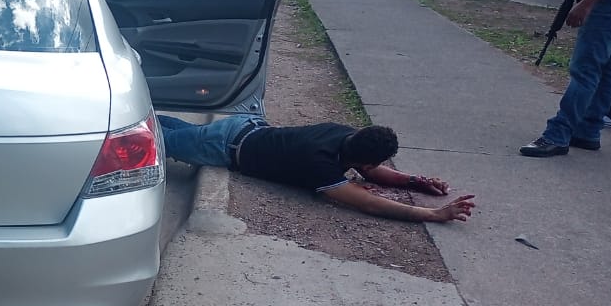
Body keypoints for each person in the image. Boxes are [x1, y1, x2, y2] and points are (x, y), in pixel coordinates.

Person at [158, 114, 476, 224]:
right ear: (366, 160)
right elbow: (371, 203)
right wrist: (433, 215)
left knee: (168, 130)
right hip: (225, 146)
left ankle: (146, 111)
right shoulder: (320, 167)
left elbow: (370, 173)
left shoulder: (342, 134)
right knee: (157, 140)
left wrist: (416, 182)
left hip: (242, 130)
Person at [520, 0, 611, 156]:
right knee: (609, 67)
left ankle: (557, 134)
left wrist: (587, 2)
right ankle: (587, 130)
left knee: (586, 69)